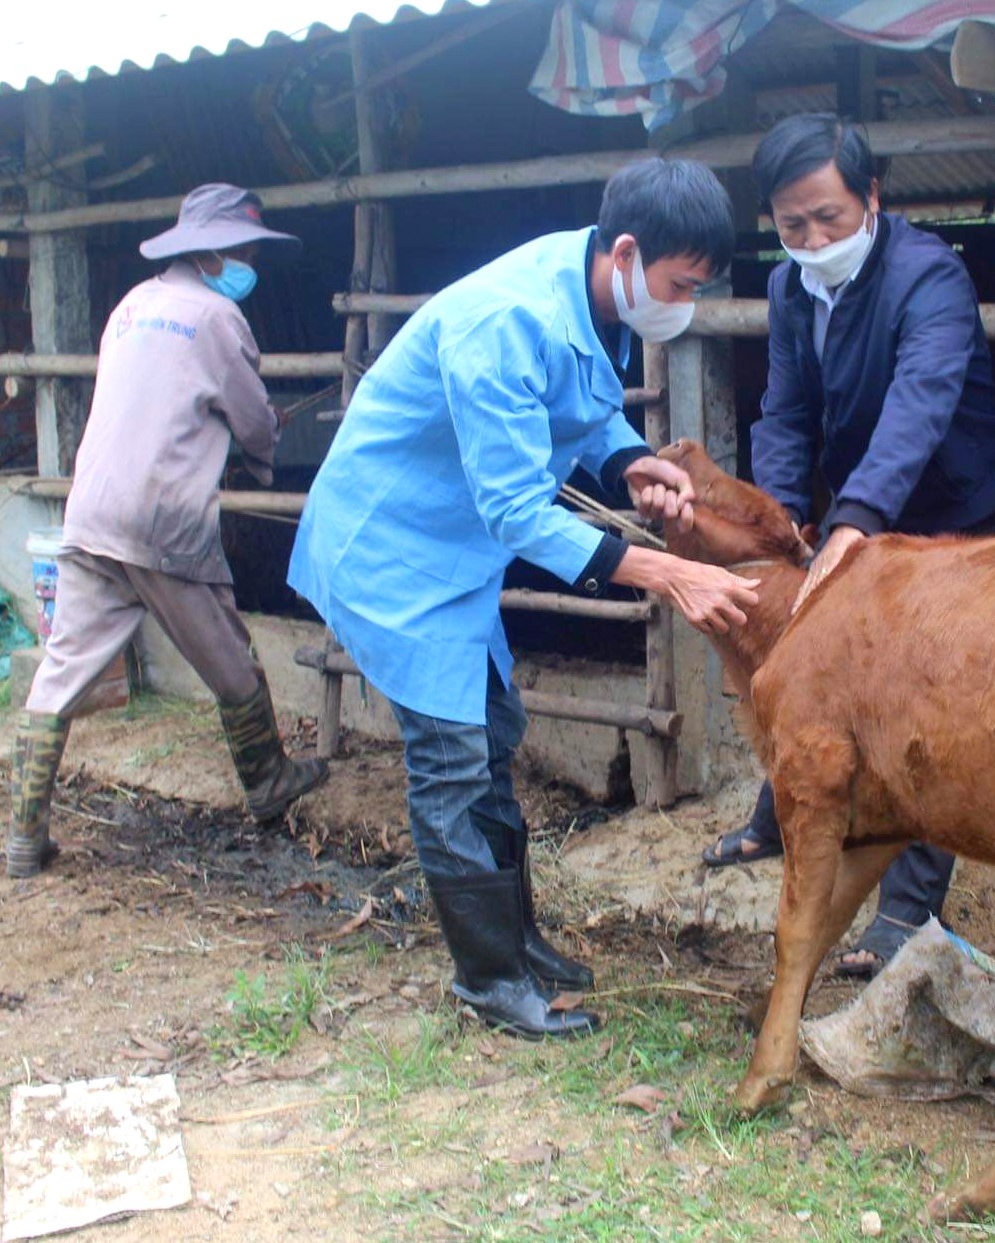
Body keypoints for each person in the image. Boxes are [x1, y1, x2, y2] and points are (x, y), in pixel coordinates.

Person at [289, 159, 760, 1041]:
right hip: (392, 546)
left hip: (451, 548)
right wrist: (668, 573)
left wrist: (630, 462)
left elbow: (582, 413)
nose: (685, 303)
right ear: (627, 252)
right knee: (453, 758)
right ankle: (489, 979)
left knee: (496, 730)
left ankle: (519, 939)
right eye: (681, 284)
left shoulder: (589, 293)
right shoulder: (508, 320)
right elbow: (516, 511)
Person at [701, 114, 995, 979]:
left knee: (917, 702)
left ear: (871, 199)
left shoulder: (931, 278)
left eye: (829, 219)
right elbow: (787, 409)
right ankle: (778, 814)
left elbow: (921, 406)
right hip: (852, 503)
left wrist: (854, 521)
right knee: (805, 652)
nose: (812, 239)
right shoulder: (789, 287)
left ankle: (907, 911)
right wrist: (785, 521)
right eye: (791, 224)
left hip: (948, 508)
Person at [6, 184, 328, 880]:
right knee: (230, 659)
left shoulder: (131, 307)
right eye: (242, 250)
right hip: (162, 518)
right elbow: (249, 418)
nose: (248, 262)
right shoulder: (217, 317)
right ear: (211, 252)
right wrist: (268, 453)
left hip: (92, 510)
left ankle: (23, 836)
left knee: (61, 670)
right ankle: (269, 783)